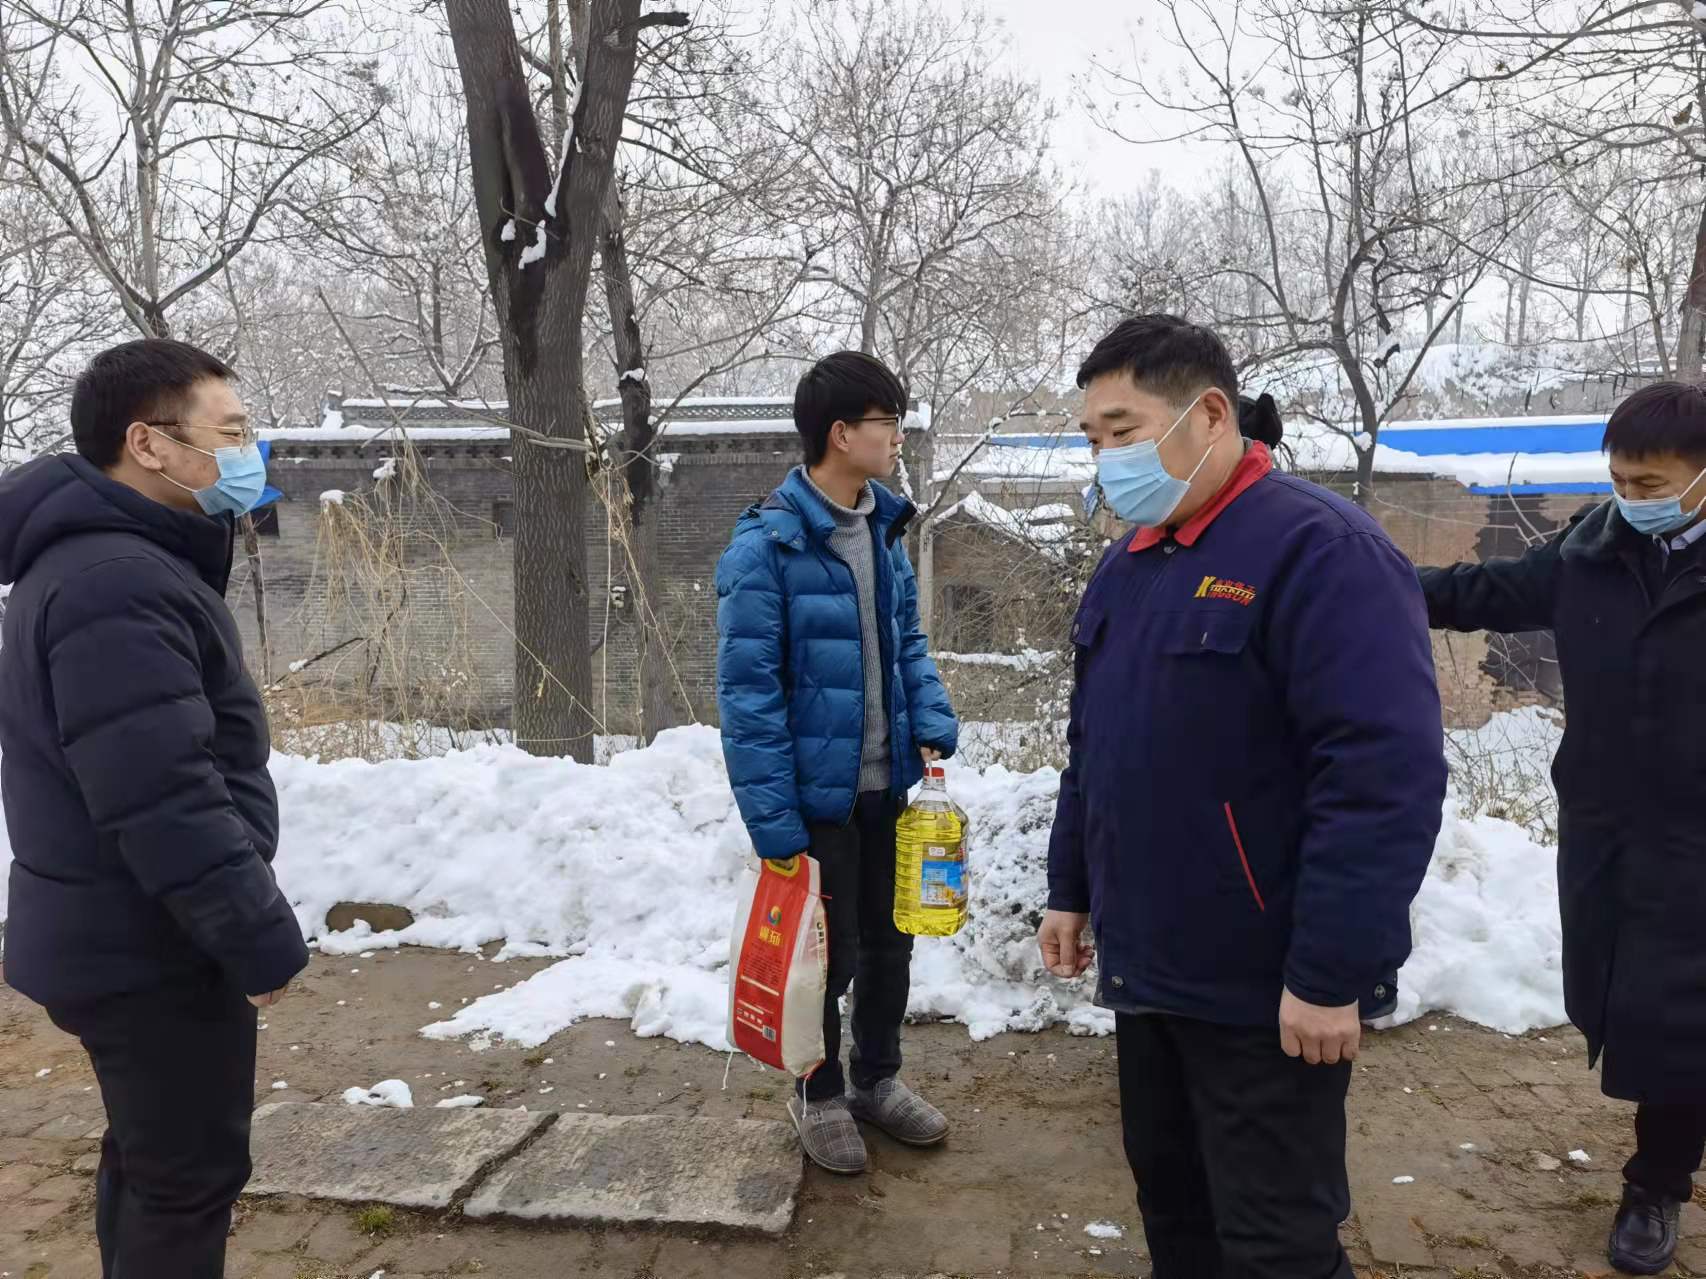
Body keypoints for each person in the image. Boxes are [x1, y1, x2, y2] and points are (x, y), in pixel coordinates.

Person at [1037, 315, 1448, 1277]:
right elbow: (1095, 747)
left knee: (1275, 1243)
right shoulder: (1129, 564)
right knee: (1175, 1211)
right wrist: (1071, 886)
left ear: (1210, 414)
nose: (1106, 458)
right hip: (1149, 967)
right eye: (1093, 439)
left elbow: (1381, 778)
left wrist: (1331, 971)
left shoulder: (1322, 550)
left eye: (1123, 431)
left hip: (1264, 985)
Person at [0, 339, 308, 1279]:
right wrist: (253, 933)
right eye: (233, 433)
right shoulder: (115, 581)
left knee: (154, 1158)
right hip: (150, 942)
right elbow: (162, 794)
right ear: (149, 444)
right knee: (186, 1179)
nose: (250, 454)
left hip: (127, 929)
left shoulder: (117, 562)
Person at [1418, 380, 1706, 1276]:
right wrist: (1352, 576)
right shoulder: (1590, 553)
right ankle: (1660, 1167)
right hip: (1607, 829)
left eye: (1652, 483)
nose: (1631, 497)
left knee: (1681, 1015)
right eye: (1619, 479)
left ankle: (1654, 1184)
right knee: (1630, 1004)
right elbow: (1476, 590)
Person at [715, 350, 959, 1174]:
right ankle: (817, 1091)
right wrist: (774, 822)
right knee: (825, 956)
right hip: (819, 800)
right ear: (841, 433)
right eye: (889, 421)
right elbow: (748, 698)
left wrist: (929, 715)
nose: (898, 436)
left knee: (892, 943)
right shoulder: (765, 548)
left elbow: (908, 640)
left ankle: (877, 1078)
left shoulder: (883, 529)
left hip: (890, 787)